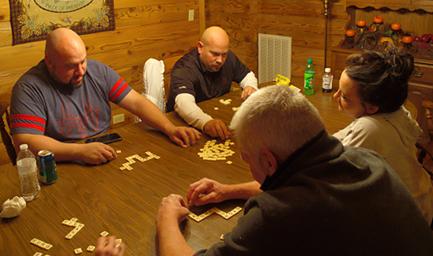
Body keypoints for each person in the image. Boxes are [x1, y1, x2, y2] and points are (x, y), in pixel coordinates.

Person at [157, 86, 433, 256]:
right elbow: (309, 185)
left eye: (248, 159)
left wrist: (167, 218)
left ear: (268, 161)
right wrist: (228, 190)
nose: (249, 166)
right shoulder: (369, 160)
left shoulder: (274, 213)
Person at [10, 28, 201, 165]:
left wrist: (169, 128)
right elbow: (25, 142)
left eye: (82, 61)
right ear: (49, 63)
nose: (81, 71)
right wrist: (78, 152)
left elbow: (136, 102)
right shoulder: (29, 87)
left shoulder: (97, 71)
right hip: (62, 161)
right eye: (70, 66)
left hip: (103, 150)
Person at [332, 49, 433, 225]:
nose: (336, 97)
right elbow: (341, 139)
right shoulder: (395, 110)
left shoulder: (369, 128)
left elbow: (332, 172)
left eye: (344, 96)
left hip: (407, 220)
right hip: (422, 196)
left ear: (371, 107)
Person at [166, 26, 258, 140]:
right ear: (200, 47)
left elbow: (247, 75)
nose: (220, 60)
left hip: (214, 117)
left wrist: (250, 86)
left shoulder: (229, 58)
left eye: (224, 54)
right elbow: (183, 104)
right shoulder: (184, 68)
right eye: (214, 54)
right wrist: (206, 122)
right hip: (181, 126)